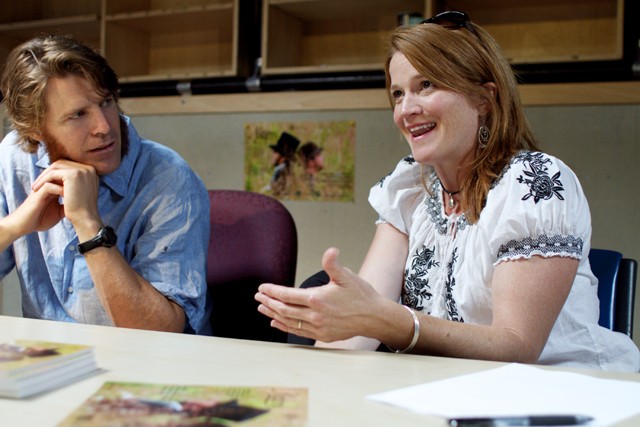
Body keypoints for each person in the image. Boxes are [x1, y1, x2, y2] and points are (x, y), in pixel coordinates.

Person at [255, 11, 640, 371]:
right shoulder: (409, 189)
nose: (406, 109)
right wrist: (327, 340)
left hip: (568, 397)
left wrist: (394, 323)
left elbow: (517, 346)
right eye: (398, 94)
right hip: (448, 396)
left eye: (426, 85)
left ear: (483, 100)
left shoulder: (536, 182)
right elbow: (361, 332)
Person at [0, 34, 211, 335]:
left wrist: (88, 225)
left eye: (106, 102)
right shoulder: (16, 157)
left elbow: (163, 334)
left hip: (146, 367)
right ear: (36, 130)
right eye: (78, 115)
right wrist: (14, 227)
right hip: (49, 362)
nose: (105, 127)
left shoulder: (169, 179)